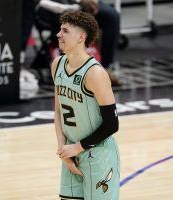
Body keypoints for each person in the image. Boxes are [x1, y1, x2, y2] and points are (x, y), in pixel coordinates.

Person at [52, 10, 120, 199]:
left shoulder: (95, 74)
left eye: (65, 31)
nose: (58, 34)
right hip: (71, 153)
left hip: (98, 155)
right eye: (60, 29)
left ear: (81, 37)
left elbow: (112, 124)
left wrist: (76, 148)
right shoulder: (57, 64)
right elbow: (58, 111)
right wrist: (63, 150)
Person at [37, 0, 122, 86]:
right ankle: (65, 70)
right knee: (66, 17)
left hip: (78, 4)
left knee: (112, 16)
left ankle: (104, 67)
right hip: (51, 4)